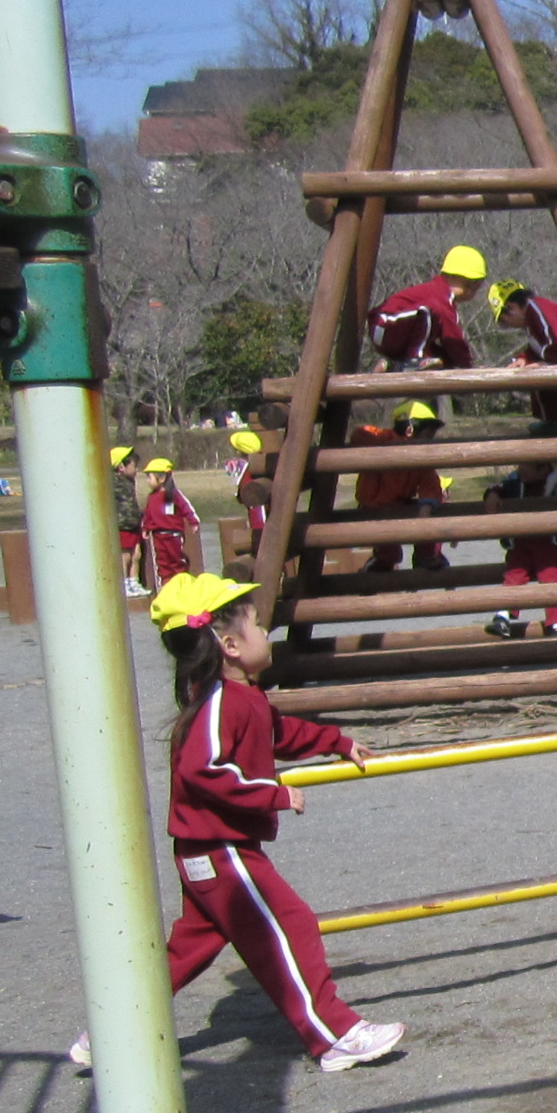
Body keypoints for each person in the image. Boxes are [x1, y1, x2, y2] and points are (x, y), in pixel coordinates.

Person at [82, 574, 402, 1072]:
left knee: (187, 950)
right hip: (220, 848)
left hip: (208, 849)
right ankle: (335, 1034)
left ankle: (108, 1032)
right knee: (290, 924)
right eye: (257, 624)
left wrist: (336, 742)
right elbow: (203, 770)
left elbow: (276, 733)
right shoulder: (217, 702)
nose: (265, 633)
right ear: (230, 645)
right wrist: (270, 794)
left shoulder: (243, 696)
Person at [481, 460, 557, 637]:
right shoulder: (513, 483)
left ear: (544, 468)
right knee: (513, 577)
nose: (521, 469)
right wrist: (492, 495)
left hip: (550, 545)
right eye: (520, 466)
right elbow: (496, 489)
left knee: (552, 579)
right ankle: (503, 616)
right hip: (520, 543)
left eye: (527, 466)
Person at [485, 277, 557, 433]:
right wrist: (524, 358)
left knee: (538, 374)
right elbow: (538, 346)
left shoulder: (535, 309)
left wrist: (546, 362)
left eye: (504, 320)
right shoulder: (533, 316)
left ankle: (554, 420)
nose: (507, 325)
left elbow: (553, 339)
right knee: (539, 368)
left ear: (511, 307)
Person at [355, 400, 450, 574]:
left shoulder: (421, 458)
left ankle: (427, 555)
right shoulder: (383, 440)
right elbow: (359, 435)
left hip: (401, 503)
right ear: (410, 430)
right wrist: (379, 441)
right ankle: (378, 564)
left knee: (436, 506)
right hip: (374, 507)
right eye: (428, 435)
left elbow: (430, 483)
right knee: (390, 553)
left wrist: (428, 504)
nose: (430, 441)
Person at [367, 244, 487, 370]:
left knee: (440, 356)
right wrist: (467, 365)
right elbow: (452, 338)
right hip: (384, 324)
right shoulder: (441, 296)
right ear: (449, 276)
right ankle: (415, 360)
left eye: (475, 288)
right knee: (430, 310)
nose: (470, 292)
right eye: (467, 286)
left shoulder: (441, 297)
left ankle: (392, 366)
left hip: (393, 334)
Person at [138, 457, 200, 584]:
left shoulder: (174, 495)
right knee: (162, 561)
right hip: (158, 535)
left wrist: (193, 521)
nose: (148, 481)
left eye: (150, 477)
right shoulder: (152, 497)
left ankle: (182, 581)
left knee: (176, 559)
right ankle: (165, 583)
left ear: (161, 478)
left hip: (174, 535)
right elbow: (147, 515)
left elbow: (186, 508)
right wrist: (145, 528)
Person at [109, 444, 148, 597]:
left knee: (136, 554)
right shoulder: (113, 483)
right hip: (122, 524)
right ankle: (124, 583)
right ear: (120, 467)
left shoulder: (130, 481)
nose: (137, 469)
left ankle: (134, 581)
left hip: (133, 524)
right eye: (133, 466)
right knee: (125, 556)